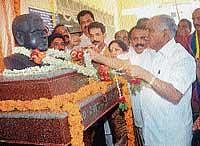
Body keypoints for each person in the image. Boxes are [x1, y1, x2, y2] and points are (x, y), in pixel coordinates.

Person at [88, 15, 196, 146]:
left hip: (172, 135)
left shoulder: (182, 58)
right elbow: (124, 64)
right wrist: (98, 57)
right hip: (150, 131)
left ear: (165, 34)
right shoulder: (150, 53)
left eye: (150, 30)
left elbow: (175, 94)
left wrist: (146, 75)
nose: (146, 35)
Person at [187, 8, 200, 146]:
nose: (196, 22)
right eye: (193, 19)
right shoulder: (190, 40)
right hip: (195, 88)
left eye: (199, 18)